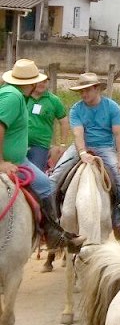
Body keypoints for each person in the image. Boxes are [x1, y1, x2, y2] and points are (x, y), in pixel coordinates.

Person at [0, 59, 83, 250]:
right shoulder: (13, 97)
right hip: (14, 161)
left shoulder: (9, 93)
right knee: (46, 185)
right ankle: (53, 235)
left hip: (21, 157)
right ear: (29, 83)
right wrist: (1, 162)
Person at [49, 72, 120, 240]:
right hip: (80, 147)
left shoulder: (112, 108)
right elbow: (78, 133)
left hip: (105, 147)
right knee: (54, 178)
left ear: (97, 89)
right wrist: (82, 152)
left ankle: (119, 222)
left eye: (87, 90)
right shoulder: (76, 109)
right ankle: (52, 222)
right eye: (81, 91)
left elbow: (119, 134)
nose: (83, 94)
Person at [25, 74, 68, 171]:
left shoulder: (54, 100)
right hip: (20, 143)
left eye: (44, 81)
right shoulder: (23, 97)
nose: (42, 84)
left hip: (40, 145)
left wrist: (63, 144)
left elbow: (64, 122)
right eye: (39, 81)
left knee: (35, 175)